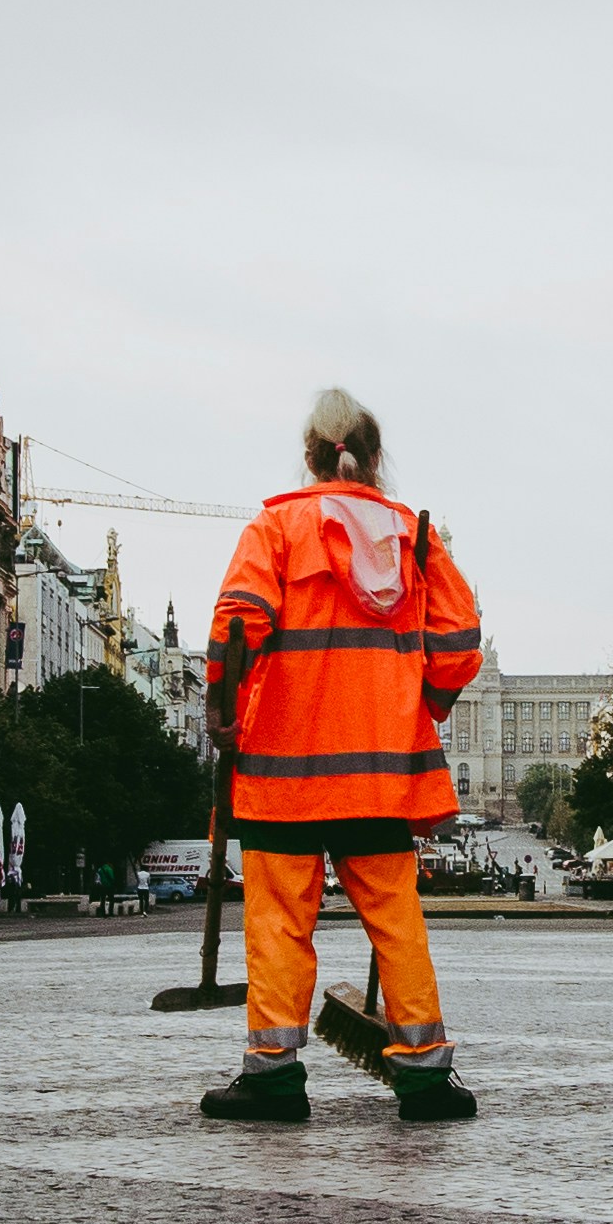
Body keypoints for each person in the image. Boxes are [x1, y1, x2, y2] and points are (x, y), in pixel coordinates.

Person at [199, 390, 484, 1123]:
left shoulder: (277, 527)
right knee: (396, 917)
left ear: (310, 456)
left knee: (278, 924)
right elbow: (458, 644)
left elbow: (238, 627)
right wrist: (420, 698)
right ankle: (425, 1078)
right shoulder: (412, 537)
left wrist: (222, 713)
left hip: (282, 771)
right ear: (374, 458)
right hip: (383, 772)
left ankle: (272, 1078)